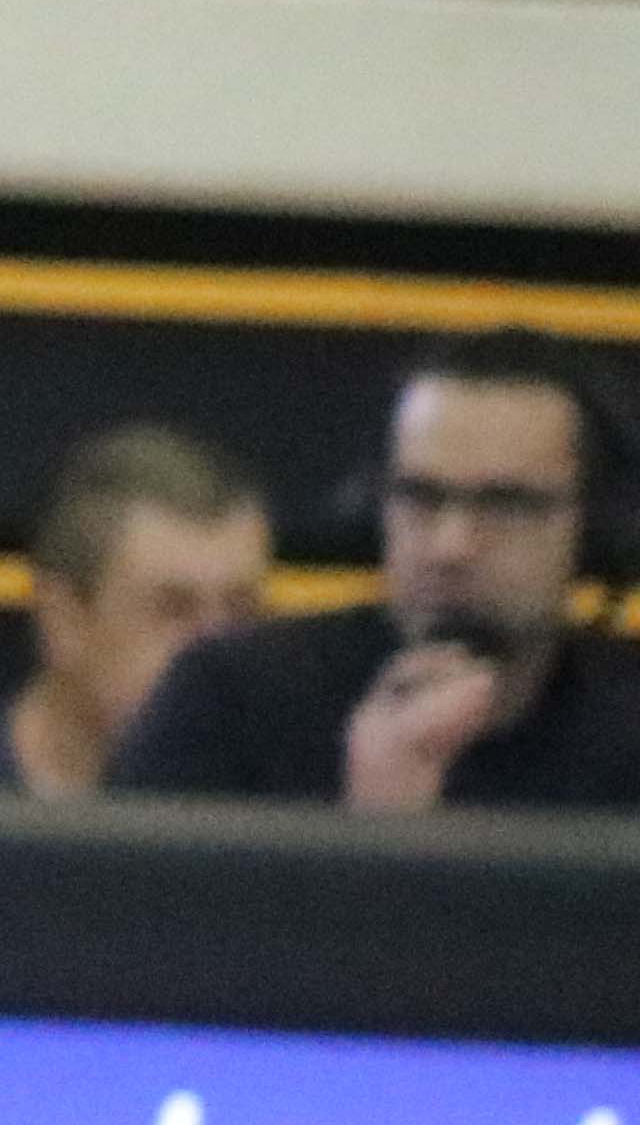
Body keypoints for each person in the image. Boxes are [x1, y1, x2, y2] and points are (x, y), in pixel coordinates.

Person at [109, 337, 640, 810]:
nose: (450, 546)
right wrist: (375, 829)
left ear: (593, 525)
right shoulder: (229, 702)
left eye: (506, 504)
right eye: (419, 497)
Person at [0, 419, 265, 794]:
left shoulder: (288, 802)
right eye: (172, 608)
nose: (217, 645)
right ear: (63, 621)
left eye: (241, 608)